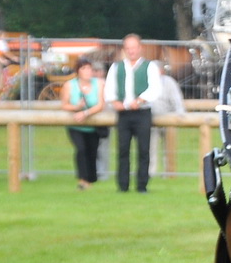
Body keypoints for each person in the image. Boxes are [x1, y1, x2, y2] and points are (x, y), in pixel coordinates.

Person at [105, 33, 160, 192]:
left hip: (142, 113)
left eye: (134, 48)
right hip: (123, 114)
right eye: (128, 48)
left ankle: (142, 185)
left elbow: (155, 88)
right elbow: (110, 88)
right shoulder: (117, 67)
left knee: (143, 150)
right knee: (123, 150)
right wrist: (114, 102)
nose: (131, 51)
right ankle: (122, 186)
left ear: (140, 48)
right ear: (124, 50)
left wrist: (140, 100)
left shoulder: (150, 66)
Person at [59, 58, 106, 189]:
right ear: (78, 71)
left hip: (92, 125)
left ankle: (91, 179)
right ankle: (82, 179)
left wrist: (86, 113)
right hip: (75, 125)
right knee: (81, 149)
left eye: (89, 68)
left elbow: (101, 104)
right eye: (84, 68)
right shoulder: (69, 85)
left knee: (92, 152)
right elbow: (64, 105)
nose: (88, 71)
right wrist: (76, 108)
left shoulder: (99, 84)